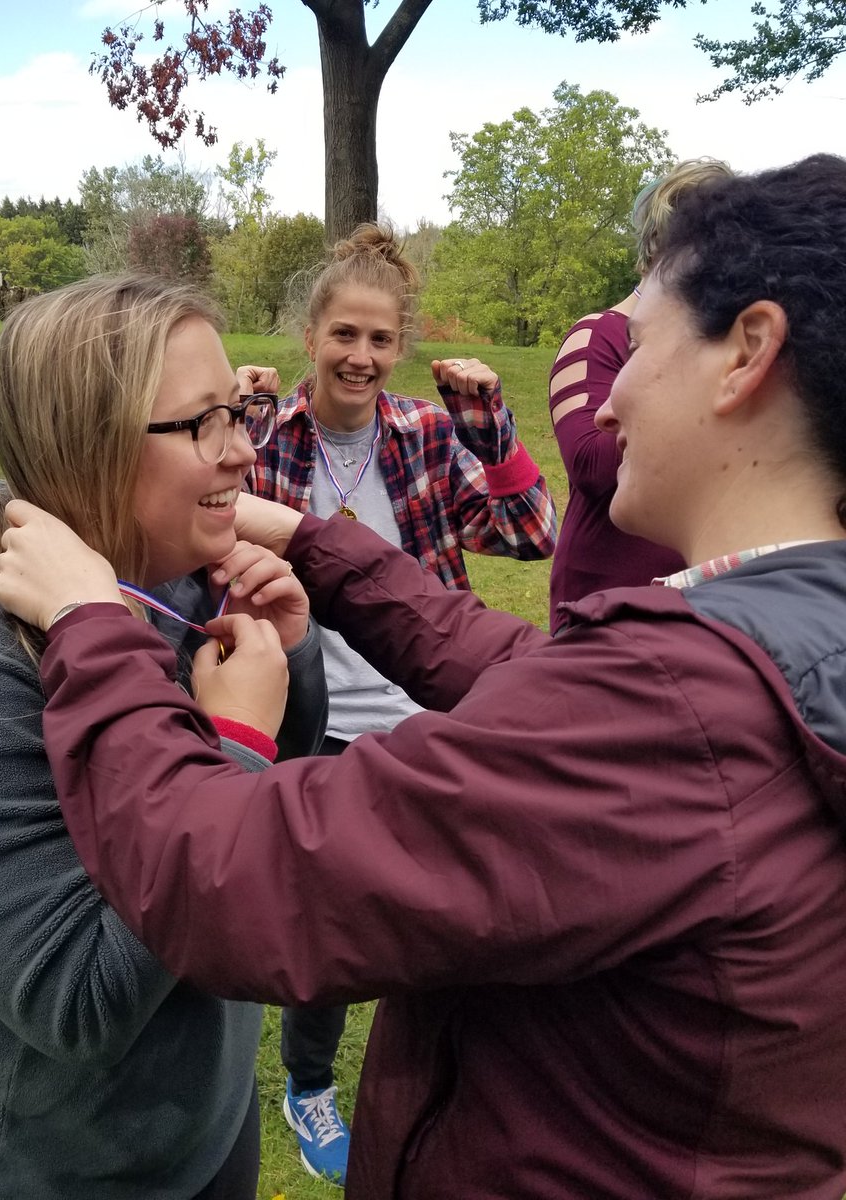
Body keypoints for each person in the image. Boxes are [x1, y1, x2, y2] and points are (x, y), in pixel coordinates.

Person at [0, 155, 846, 1198]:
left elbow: (227, 874)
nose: (608, 395)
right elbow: (527, 671)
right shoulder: (787, 631)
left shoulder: (678, 708)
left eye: (636, 343)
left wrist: (89, 622)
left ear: (745, 354)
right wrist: (307, 538)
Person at [0, 275, 327, 1200]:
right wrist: (230, 739)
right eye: (203, 423)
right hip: (51, 1167)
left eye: (240, 412)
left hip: (202, 1123)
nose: (242, 452)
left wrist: (289, 657)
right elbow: (76, 998)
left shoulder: (171, 572)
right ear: (92, 443)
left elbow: (271, 813)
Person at [248, 222, 556, 1184]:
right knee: (330, 920)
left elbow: (530, 534)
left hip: (423, 712)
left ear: (401, 347)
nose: (362, 356)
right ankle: (309, 1084)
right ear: (311, 336)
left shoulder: (425, 432)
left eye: (381, 339)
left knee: (443, 913)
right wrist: (228, 413)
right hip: (310, 714)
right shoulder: (266, 436)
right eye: (344, 334)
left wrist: (489, 425)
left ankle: (434, 1078)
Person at [547, 157, 732, 633]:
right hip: (607, 592)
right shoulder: (596, 334)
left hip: (707, 591)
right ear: (659, 245)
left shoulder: (726, 345)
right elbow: (589, 462)